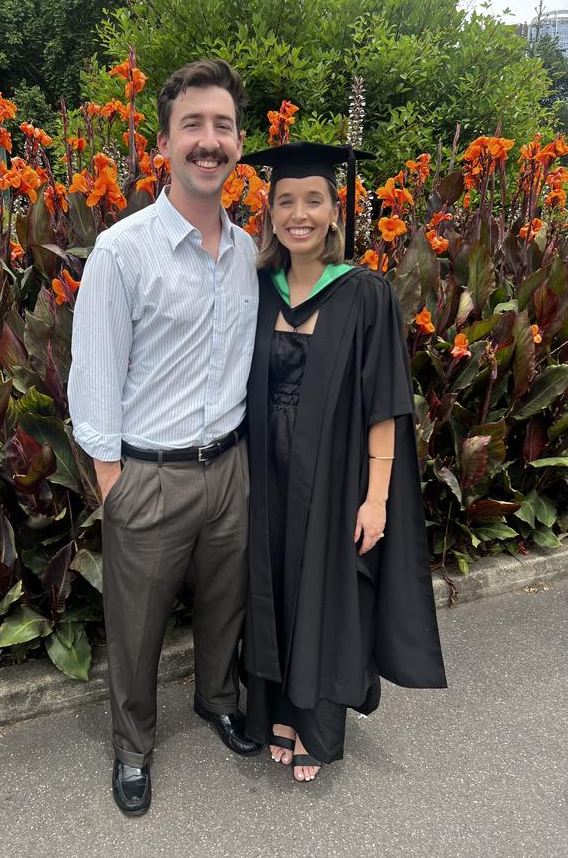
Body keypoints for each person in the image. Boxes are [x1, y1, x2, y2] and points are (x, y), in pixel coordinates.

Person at [68, 59, 261, 817]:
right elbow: (95, 376)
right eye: (193, 126)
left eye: (221, 126)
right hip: (148, 475)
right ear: (164, 143)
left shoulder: (251, 253)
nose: (208, 141)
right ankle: (132, 748)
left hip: (229, 470)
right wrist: (114, 481)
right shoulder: (123, 251)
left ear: (239, 143)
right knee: (136, 627)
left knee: (226, 605)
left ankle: (217, 700)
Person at [240, 142, 447, 783]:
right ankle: (274, 707)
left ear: (335, 211)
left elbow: (385, 403)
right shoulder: (257, 288)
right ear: (269, 212)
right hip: (264, 476)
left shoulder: (365, 294)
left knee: (324, 592)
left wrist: (376, 497)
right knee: (270, 586)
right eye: (285, 202)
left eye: (313, 201)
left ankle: (316, 725)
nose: (298, 214)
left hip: (333, 478)